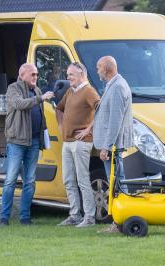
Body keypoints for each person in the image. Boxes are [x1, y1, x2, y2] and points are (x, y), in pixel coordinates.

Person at [0, 63, 54, 226]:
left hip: (34, 141)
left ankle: (25, 217)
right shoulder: (13, 89)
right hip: (17, 141)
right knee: (10, 180)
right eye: (32, 74)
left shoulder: (36, 90)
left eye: (36, 74)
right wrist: (40, 98)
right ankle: (4, 217)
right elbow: (19, 104)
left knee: (29, 181)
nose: (35, 77)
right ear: (22, 75)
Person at [56, 62, 100, 227]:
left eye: (71, 75)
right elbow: (58, 109)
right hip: (67, 142)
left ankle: (89, 218)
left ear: (81, 74)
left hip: (81, 143)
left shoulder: (88, 91)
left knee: (82, 180)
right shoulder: (70, 91)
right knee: (68, 180)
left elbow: (101, 108)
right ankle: (74, 215)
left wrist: (88, 129)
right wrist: (62, 127)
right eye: (68, 75)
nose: (68, 78)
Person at [93, 56, 133, 232]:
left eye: (98, 67)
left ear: (106, 69)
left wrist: (106, 146)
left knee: (117, 184)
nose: (97, 70)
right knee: (117, 182)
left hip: (113, 147)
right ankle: (119, 222)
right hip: (112, 146)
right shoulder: (113, 84)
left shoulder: (117, 87)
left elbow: (115, 121)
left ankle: (120, 222)